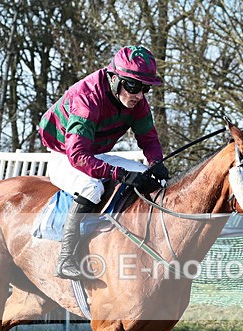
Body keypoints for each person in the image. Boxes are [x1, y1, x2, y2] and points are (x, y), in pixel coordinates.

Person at [38, 45, 170, 280]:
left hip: (94, 153)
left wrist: (156, 162)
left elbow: (148, 138)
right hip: (63, 154)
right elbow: (78, 155)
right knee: (92, 187)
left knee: (149, 177)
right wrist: (118, 174)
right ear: (114, 78)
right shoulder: (88, 98)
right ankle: (66, 258)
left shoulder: (137, 103)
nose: (139, 94)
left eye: (145, 88)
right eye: (133, 86)